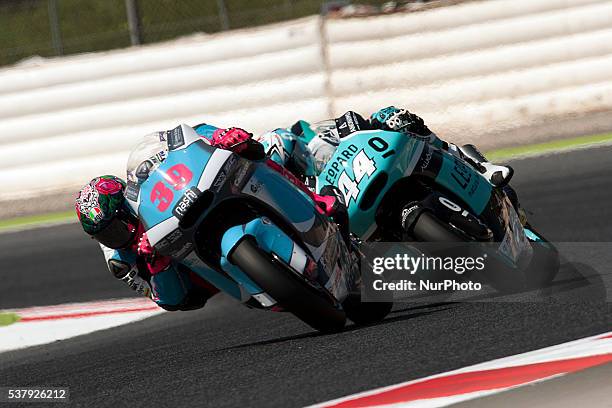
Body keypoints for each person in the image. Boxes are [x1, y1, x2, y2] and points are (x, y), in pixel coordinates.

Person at [75, 127, 348, 311]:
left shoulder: (142, 193)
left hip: (197, 217)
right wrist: (156, 264)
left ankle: (314, 197)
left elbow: (191, 137)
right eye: (105, 235)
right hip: (200, 274)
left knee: (274, 143)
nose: (115, 237)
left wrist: (220, 136)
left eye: (116, 228)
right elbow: (169, 301)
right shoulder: (119, 260)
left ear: (125, 207)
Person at [258, 106, 513, 188]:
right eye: (291, 167)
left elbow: (354, 121)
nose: (300, 164)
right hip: (358, 212)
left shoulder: (316, 139)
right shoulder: (300, 197)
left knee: (391, 115)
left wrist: (356, 126)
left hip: (378, 161)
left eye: (295, 157)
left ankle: (479, 167)